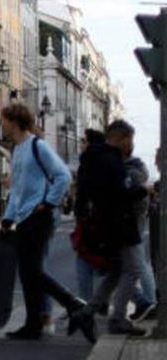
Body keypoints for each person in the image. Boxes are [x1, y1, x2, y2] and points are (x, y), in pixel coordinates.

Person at [0, 103, 94, 342]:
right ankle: (34, 324)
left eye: (4, 120)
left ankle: (73, 304)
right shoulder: (17, 149)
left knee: (33, 271)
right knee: (28, 274)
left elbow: (62, 175)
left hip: (39, 217)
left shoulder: (36, 146)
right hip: (23, 217)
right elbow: (18, 188)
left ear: (14, 121)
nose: (2, 124)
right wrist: (8, 218)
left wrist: (48, 203)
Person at [75, 120, 151, 336]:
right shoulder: (110, 161)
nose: (132, 145)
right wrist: (144, 190)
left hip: (105, 224)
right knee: (134, 269)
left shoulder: (94, 158)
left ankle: (87, 311)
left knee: (118, 270)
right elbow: (120, 194)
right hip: (119, 224)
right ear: (122, 139)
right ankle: (117, 319)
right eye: (131, 140)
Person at [74, 129, 106, 303]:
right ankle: (91, 302)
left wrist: (81, 214)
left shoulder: (89, 162)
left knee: (86, 259)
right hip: (96, 218)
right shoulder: (103, 159)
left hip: (91, 218)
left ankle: (86, 303)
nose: (81, 145)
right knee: (100, 263)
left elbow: (84, 192)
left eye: (83, 141)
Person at [127, 151, 158, 321]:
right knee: (137, 261)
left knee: (135, 261)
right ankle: (147, 301)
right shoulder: (136, 167)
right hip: (135, 217)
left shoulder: (129, 169)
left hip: (130, 218)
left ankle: (148, 302)